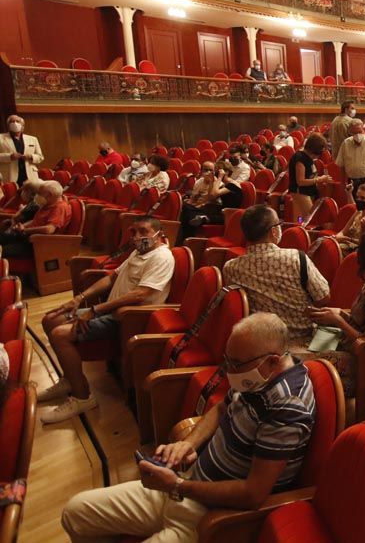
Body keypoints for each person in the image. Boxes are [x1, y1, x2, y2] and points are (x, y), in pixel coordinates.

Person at [61, 313, 316, 543]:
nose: (229, 371)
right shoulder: (257, 376)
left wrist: (176, 487)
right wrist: (188, 444)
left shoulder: (287, 406)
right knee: (75, 513)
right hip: (188, 482)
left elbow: (253, 494)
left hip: (211, 517)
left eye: (235, 364)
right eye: (227, 361)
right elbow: (220, 409)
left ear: (272, 362)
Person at [38, 217, 174, 423]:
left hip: (128, 319)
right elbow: (111, 277)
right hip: (109, 311)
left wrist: (94, 309)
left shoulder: (162, 257)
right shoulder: (139, 252)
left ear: (159, 234)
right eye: (133, 232)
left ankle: (82, 396)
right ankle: (69, 380)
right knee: (50, 319)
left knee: (60, 335)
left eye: (143, 232)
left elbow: (141, 294)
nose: (137, 237)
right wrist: (79, 298)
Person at [305, 232, 365, 397]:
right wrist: (337, 314)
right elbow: (359, 322)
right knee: (303, 353)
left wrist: (338, 320)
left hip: (364, 364)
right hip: (349, 346)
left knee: (308, 368)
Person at [223, 205, 330, 352]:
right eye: (279, 224)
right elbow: (323, 298)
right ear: (274, 231)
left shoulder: (230, 268)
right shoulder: (296, 258)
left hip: (260, 345)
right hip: (302, 342)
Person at [0, 180, 71, 257]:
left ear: (49, 195)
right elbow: (34, 221)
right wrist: (22, 227)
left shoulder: (60, 207)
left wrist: (25, 230)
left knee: (2, 250)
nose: (37, 196)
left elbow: (49, 229)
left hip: (36, 244)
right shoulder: (47, 204)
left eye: (40, 194)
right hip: (25, 237)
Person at [287, 133, 333, 219]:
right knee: (307, 219)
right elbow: (300, 181)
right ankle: (300, 230)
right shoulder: (300, 158)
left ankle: (299, 228)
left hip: (307, 192)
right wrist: (319, 179)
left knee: (300, 217)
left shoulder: (308, 158)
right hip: (300, 193)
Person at [334, 183, 365, 252]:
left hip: (360, 251)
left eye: (363, 198)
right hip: (346, 245)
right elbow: (343, 231)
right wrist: (336, 237)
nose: (359, 200)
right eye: (357, 197)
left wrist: (346, 239)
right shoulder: (358, 212)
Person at [0, 114, 43, 185]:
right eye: (12, 121)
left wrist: (31, 157)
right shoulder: (1, 138)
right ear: (8, 125)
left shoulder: (32, 139)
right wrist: (9, 156)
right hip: (9, 175)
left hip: (29, 175)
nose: (15, 123)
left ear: (22, 126)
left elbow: (40, 157)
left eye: (17, 121)